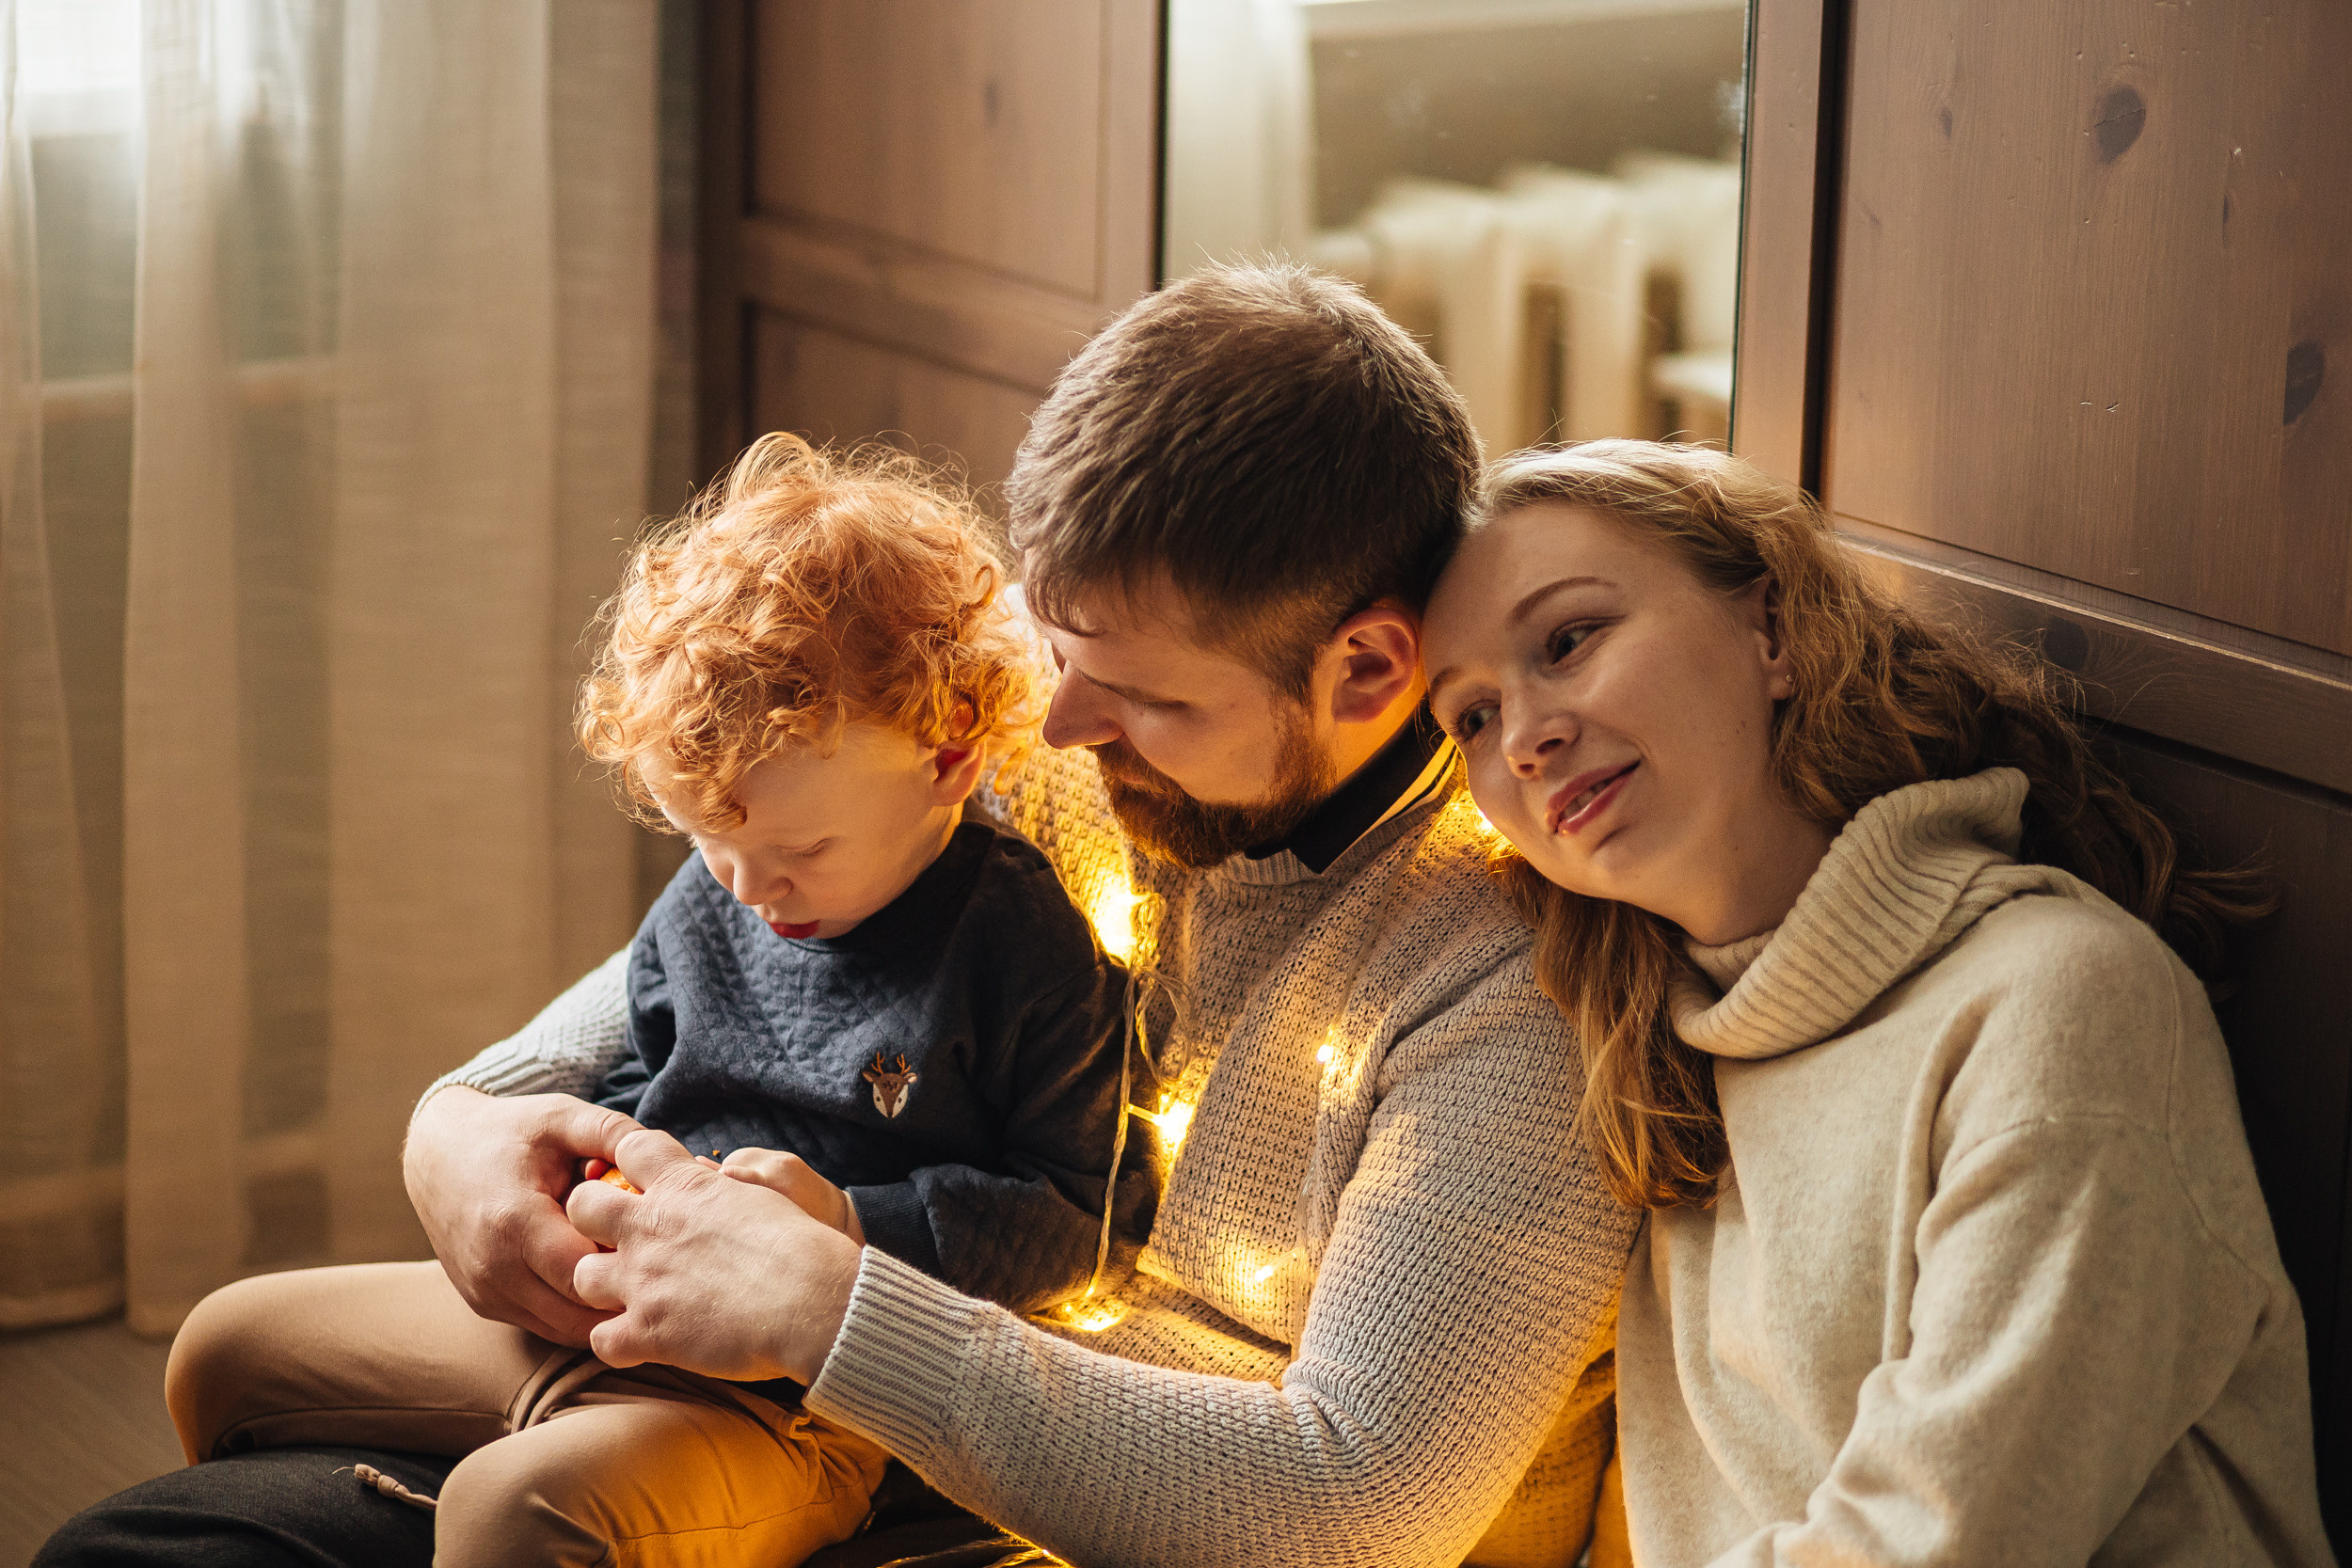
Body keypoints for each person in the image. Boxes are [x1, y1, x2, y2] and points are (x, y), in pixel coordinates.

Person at [38, 263, 1639, 1568]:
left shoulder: (1501, 973)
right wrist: (456, 1135)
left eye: (1138, 692)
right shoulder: (1043, 719)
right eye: (1052, 634)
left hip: (1034, 1477)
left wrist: (821, 1300)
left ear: (1363, 667)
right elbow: (695, 974)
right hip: (826, 1379)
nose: (1052, 721)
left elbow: (1351, 1505)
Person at [152, 437, 1149, 1566]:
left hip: (805, 1401)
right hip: (601, 1305)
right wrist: (594, 1174)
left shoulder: (1019, 940)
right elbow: (648, 1069)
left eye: (798, 848)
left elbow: (1083, 1220)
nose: (748, 888)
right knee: (221, 1346)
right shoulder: (721, 891)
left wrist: (846, 1235)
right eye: (709, 842)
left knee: (511, 1511)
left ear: (949, 761)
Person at [1418, 438, 2336, 1565]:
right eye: (1467, 716)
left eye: (1569, 639)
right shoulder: (1651, 1065)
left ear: (1773, 632)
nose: (1524, 736)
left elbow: (1933, 1540)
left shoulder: (2058, 1003)